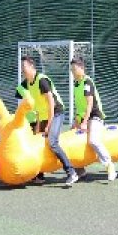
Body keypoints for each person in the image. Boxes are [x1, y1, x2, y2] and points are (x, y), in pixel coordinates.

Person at [16, 56, 78, 184]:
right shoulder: (26, 84)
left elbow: (51, 103)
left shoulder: (42, 80)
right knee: (36, 142)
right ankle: (39, 175)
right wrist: (38, 126)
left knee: (52, 142)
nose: (22, 70)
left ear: (31, 67)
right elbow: (38, 107)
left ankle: (71, 172)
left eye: (24, 67)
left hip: (56, 113)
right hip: (43, 116)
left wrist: (48, 125)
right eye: (21, 67)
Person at [68, 57, 116, 185]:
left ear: (82, 68)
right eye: (71, 70)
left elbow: (89, 104)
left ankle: (109, 164)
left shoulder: (87, 82)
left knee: (93, 140)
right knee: (71, 140)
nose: (72, 72)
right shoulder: (76, 83)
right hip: (83, 117)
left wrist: (84, 123)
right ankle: (80, 171)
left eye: (74, 69)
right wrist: (76, 121)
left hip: (95, 116)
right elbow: (80, 106)